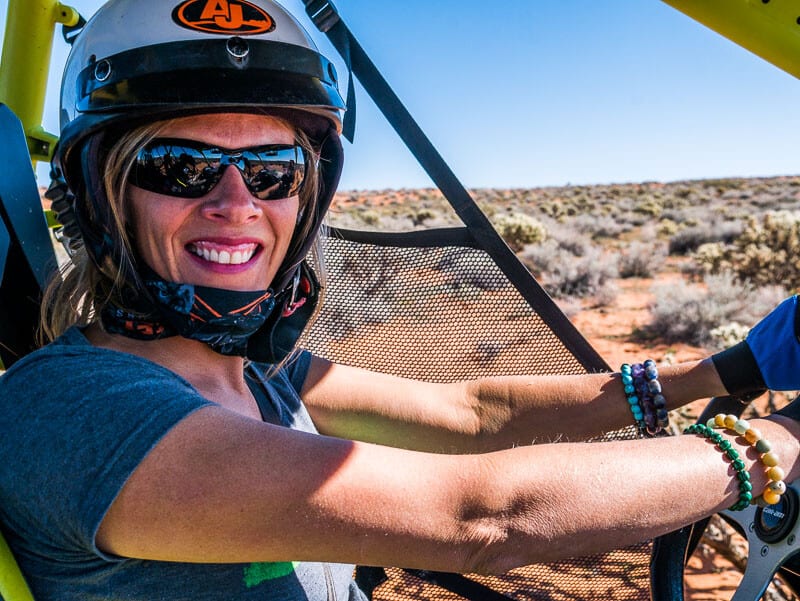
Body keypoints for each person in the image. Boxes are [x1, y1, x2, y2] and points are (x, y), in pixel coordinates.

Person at [1, 1, 799, 599]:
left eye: (275, 167)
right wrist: (772, 443)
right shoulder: (75, 410)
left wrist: (722, 369)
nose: (238, 201)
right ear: (98, 195)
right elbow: (483, 519)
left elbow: (474, 413)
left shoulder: (260, 371)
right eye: (181, 165)